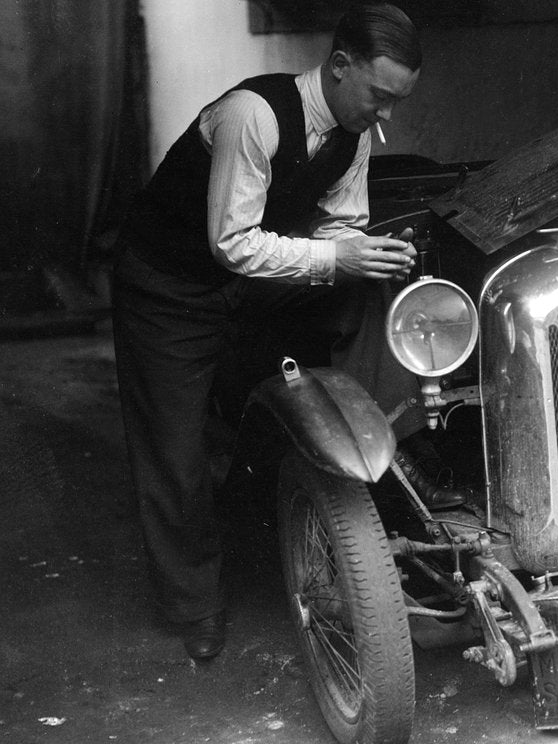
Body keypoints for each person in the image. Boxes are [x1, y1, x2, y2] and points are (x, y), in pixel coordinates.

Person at [112, 2, 463, 662]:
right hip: (168, 285)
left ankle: (396, 453)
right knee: (175, 450)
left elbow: (337, 227)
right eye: (380, 96)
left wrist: (362, 252)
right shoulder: (254, 115)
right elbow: (232, 243)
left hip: (241, 284)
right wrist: (336, 257)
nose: (386, 116)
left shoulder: (354, 132)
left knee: (365, 288)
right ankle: (195, 604)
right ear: (339, 67)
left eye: (397, 102)